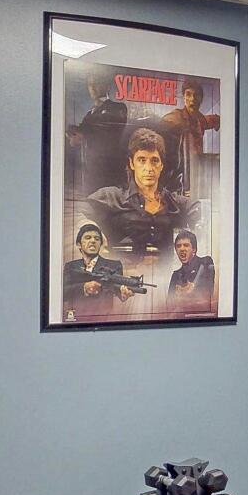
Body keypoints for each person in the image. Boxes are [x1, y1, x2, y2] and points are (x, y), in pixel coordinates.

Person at [86, 126, 199, 256]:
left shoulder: (175, 202)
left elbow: (201, 211)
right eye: (142, 160)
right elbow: (78, 211)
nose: (149, 168)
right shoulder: (112, 196)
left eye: (154, 161)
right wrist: (90, 230)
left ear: (161, 165)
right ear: (132, 163)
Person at [60, 222, 144, 320]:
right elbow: (63, 292)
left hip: (102, 318)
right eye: (88, 238)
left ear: (100, 244)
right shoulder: (71, 266)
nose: (93, 241)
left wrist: (123, 293)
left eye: (97, 239)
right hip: (75, 318)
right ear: (79, 244)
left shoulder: (114, 265)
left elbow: (117, 288)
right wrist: (84, 287)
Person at [160, 80, 220, 186]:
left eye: (196, 95)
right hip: (179, 174)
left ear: (201, 99)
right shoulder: (176, 117)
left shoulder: (200, 120)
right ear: (184, 97)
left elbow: (212, 120)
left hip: (197, 171)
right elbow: (159, 125)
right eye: (188, 94)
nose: (192, 99)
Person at [167, 229, 217, 313]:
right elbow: (169, 304)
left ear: (194, 249)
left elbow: (207, 297)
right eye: (178, 246)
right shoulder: (175, 275)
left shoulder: (205, 263)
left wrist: (192, 289)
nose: (182, 249)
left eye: (186, 245)